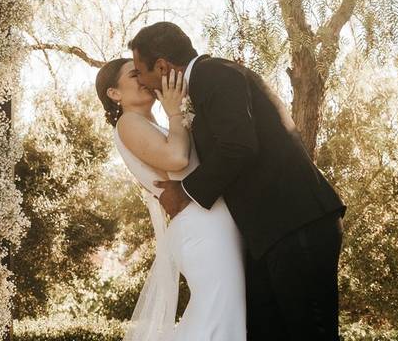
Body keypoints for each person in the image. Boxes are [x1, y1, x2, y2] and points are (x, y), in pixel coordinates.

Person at [128, 21, 346, 341]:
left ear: (161, 66)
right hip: (268, 234)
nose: (143, 82)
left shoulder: (214, 75)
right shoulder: (204, 82)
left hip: (297, 224)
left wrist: (185, 190)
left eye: (140, 71)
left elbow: (238, 147)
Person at [96, 58, 245, 341]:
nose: (143, 77)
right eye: (133, 74)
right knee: (217, 318)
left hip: (209, 221)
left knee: (221, 315)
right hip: (201, 226)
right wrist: (176, 113)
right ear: (114, 94)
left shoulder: (149, 124)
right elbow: (176, 159)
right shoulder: (127, 122)